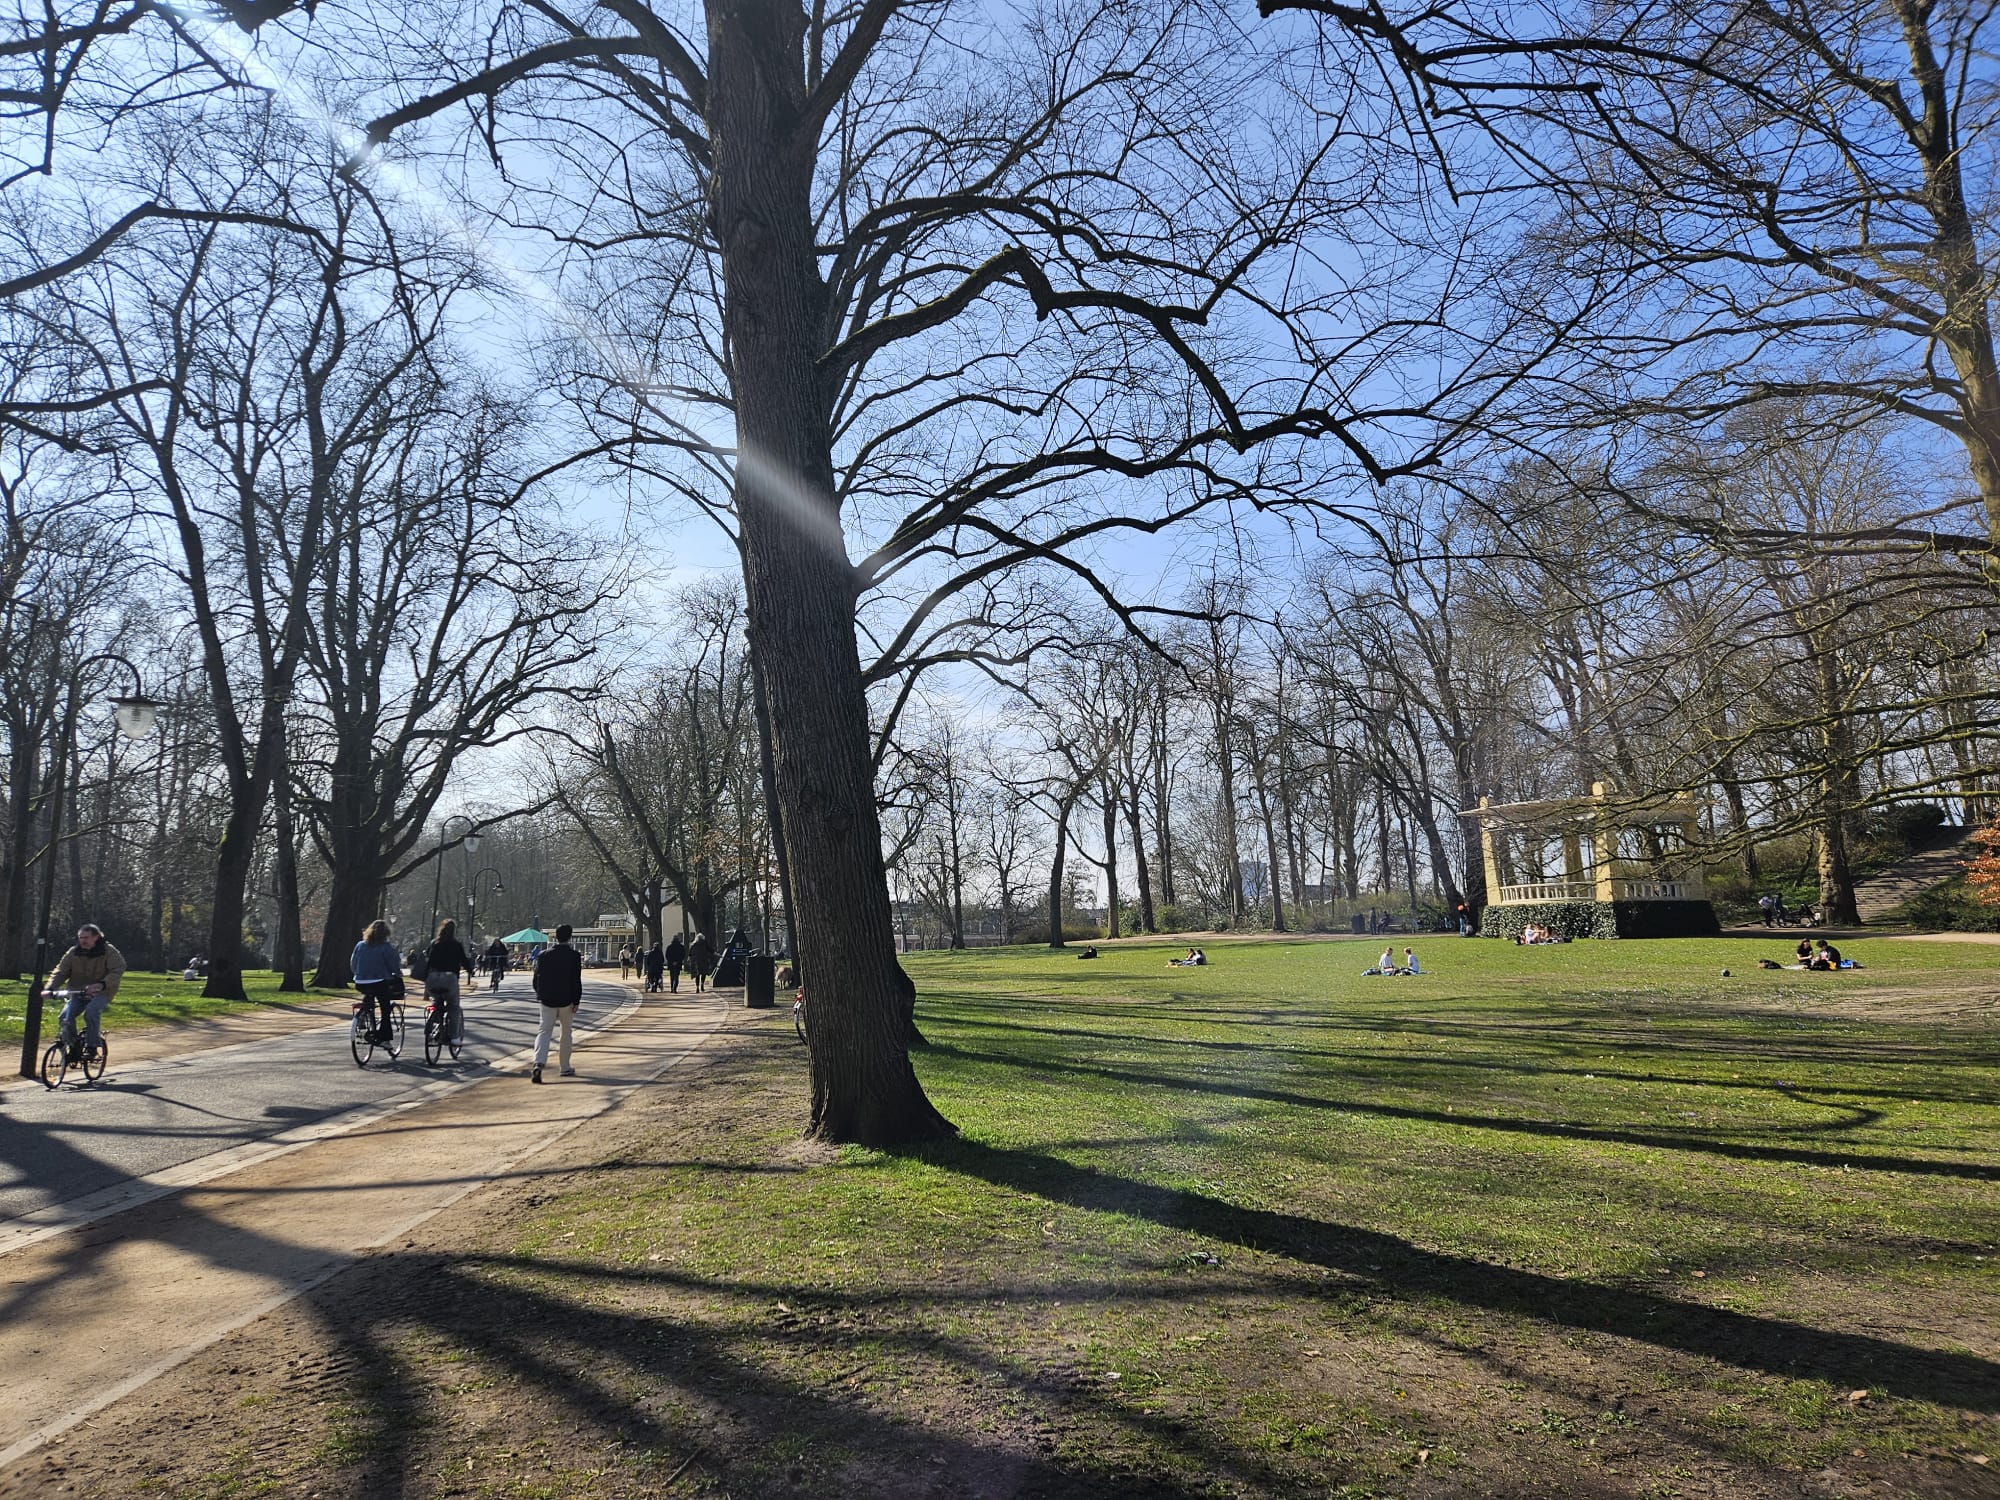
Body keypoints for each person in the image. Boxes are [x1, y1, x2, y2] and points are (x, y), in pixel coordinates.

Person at [49, 923, 126, 1059]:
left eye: (86, 937)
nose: (83, 940)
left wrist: (102, 984)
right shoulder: (74, 952)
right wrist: (50, 988)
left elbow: (118, 969)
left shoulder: (108, 951)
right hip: (78, 992)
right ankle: (73, 1047)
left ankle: (92, 1047)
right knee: (64, 1017)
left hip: (102, 992)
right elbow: (61, 971)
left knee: (91, 1012)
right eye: (81, 937)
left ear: (96, 937)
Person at [530, 922, 583, 1082]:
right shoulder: (574, 956)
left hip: (547, 999)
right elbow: (576, 980)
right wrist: (576, 1000)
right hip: (566, 999)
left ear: (555, 937)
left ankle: (539, 1062)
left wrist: (540, 993)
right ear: (570, 937)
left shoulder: (543, 955)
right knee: (566, 1033)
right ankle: (565, 1066)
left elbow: (535, 978)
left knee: (544, 1031)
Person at [425, 918, 477, 1046]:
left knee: (436, 1001)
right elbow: (464, 961)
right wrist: (471, 971)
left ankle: (433, 1022)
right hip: (450, 979)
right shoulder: (456, 945)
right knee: (453, 1007)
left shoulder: (434, 943)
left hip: (433, 978)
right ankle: (454, 1037)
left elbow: (427, 958)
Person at [350, 920, 404, 1043]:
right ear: (385, 934)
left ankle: (363, 1015)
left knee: (369, 997)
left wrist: (359, 974)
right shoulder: (386, 947)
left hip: (360, 982)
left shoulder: (360, 945)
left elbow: (353, 964)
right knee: (385, 1008)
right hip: (379, 982)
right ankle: (384, 1038)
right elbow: (393, 964)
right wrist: (397, 973)